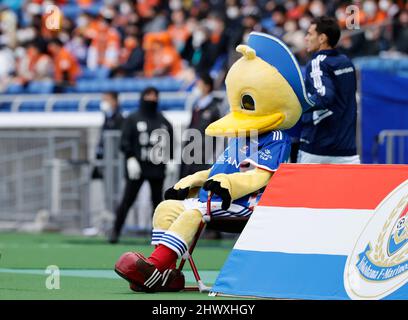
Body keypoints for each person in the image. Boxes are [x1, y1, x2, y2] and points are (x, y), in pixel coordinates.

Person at [109, 87, 174, 244]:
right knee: (127, 200)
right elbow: (124, 141)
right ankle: (115, 232)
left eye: (154, 95)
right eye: (148, 95)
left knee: (157, 204)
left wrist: (170, 159)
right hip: (137, 168)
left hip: (157, 168)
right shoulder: (132, 119)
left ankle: (157, 236)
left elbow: (169, 141)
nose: (152, 99)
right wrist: (131, 157)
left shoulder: (163, 121)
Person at [297, 16, 360, 164]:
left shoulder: (317, 63)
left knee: (305, 189)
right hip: (347, 150)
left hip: (316, 148)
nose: (306, 38)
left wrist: (297, 105)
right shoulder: (346, 62)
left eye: (310, 34)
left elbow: (324, 96)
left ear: (322, 38)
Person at [180, 73, 221, 179]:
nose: (197, 87)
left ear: (207, 87)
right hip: (191, 154)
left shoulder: (215, 108)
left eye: (199, 84)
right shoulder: (196, 106)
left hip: (204, 156)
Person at [92, 92, 124, 179]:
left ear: (115, 101)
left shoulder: (119, 119)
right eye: (103, 100)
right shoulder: (107, 117)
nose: (104, 103)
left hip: (114, 158)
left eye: (106, 100)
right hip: (105, 156)